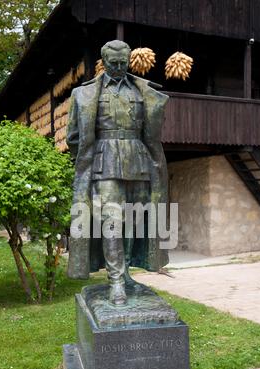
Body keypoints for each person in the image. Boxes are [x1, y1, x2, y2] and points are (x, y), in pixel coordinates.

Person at [67, 40, 169, 306]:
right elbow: (74, 138)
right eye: (114, 63)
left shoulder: (143, 90)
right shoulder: (84, 94)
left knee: (135, 221)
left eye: (124, 62)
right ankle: (115, 282)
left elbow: (152, 132)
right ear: (104, 61)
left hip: (139, 162)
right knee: (111, 221)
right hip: (104, 163)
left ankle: (126, 274)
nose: (120, 67)